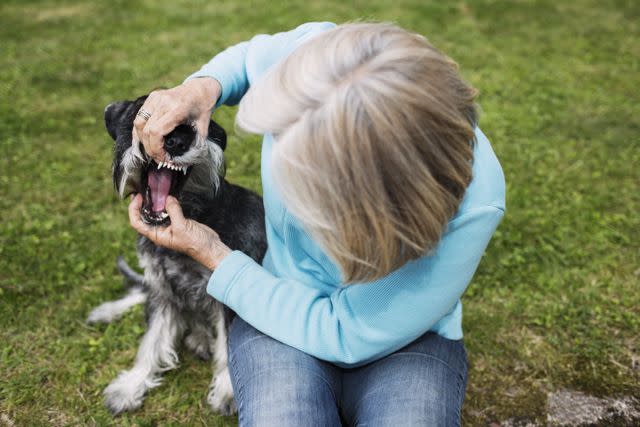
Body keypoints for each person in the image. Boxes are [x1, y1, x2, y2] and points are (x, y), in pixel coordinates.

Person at [128, 22, 505, 426]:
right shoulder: (323, 60)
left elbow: (346, 333)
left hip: (408, 342)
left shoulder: (475, 201)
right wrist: (201, 89)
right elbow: (248, 61)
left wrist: (216, 256)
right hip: (276, 300)